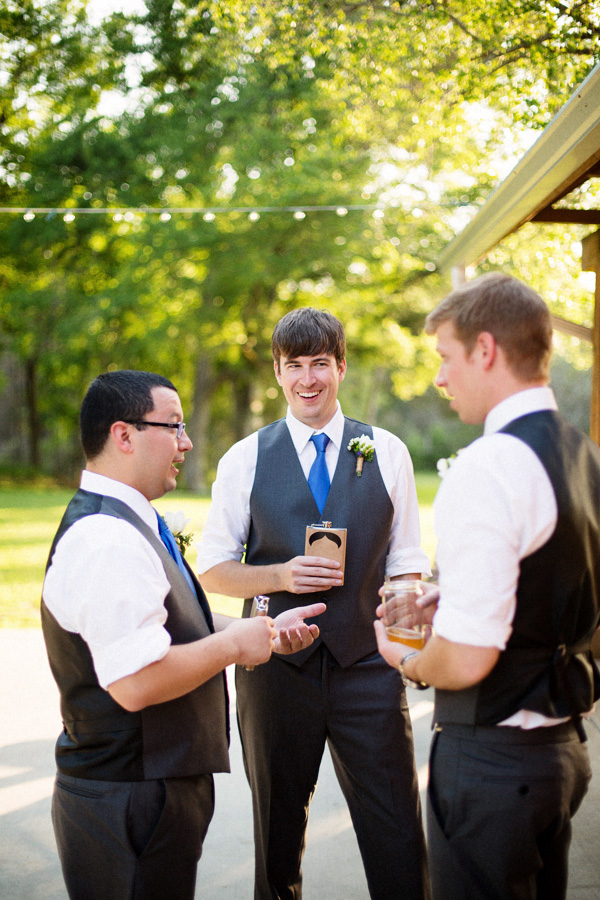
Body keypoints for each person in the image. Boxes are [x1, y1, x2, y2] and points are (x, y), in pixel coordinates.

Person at [41, 369, 324, 900]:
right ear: (124, 435)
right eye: (173, 426)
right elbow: (136, 681)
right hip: (126, 797)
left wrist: (255, 627)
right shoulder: (105, 538)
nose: (186, 442)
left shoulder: (131, 519)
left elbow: (166, 623)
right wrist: (235, 647)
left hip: (152, 789)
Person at [374, 272, 600, 900]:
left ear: (486, 349)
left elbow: (468, 659)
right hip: (561, 754)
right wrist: (456, 596)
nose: (440, 379)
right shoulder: (585, 455)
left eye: (446, 357)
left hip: (494, 766)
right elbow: (558, 578)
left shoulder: (489, 464)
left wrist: (407, 658)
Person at [197, 307, 432, 900]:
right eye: (294, 365)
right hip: (276, 673)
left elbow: (407, 560)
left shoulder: (388, 452)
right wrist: (278, 573)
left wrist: (404, 648)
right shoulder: (244, 458)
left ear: (341, 367)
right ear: (278, 373)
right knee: (276, 842)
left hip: (369, 672)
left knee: (398, 836)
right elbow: (212, 569)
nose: (308, 379)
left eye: (320, 364)